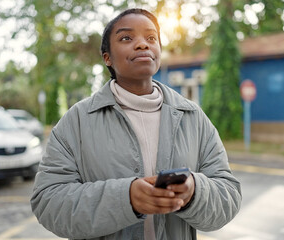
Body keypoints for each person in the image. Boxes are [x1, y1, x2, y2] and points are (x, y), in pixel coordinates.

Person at [31, 8, 242, 240]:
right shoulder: (76, 122)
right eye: (126, 38)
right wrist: (126, 199)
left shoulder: (193, 117)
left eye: (151, 38)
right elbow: (48, 202)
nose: (143, 44)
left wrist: (194, 191)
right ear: (107, 58)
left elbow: (228, 196)